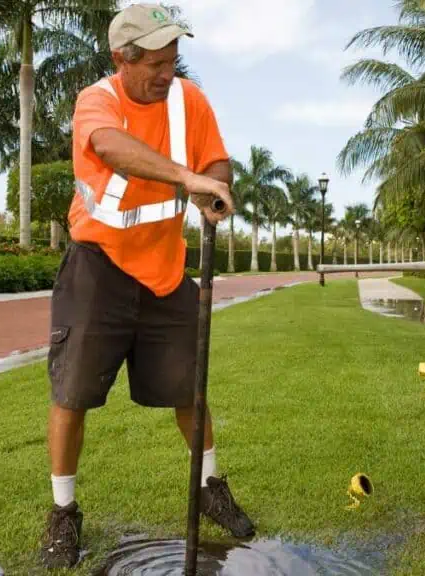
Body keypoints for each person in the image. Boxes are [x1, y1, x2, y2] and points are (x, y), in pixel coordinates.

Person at [38, 3, 255, 569]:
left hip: (164, 271)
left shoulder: (190, 101)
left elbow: (216, 160)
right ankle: (63, 513)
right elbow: (110, 148)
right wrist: (188, 179)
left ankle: (210, 488)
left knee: (190, 387)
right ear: (121, 59)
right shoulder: (97, 101)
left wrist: (215, 189)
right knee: (73, 393)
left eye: (173, 59)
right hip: (96, 265)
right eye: (156, 63)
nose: (167, 72)